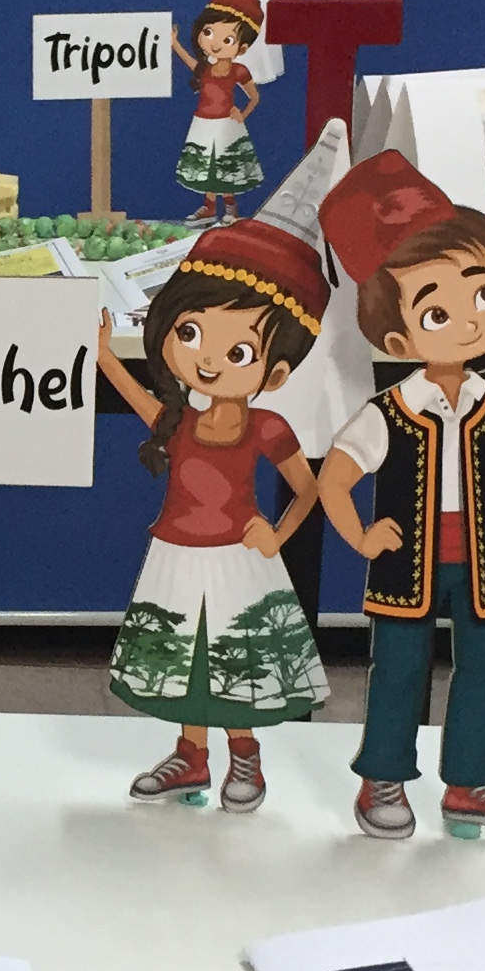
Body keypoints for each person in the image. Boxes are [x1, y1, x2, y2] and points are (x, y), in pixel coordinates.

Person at [315, 152, 485, 841]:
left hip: (483, 563)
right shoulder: (389, 412)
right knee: (399, 669)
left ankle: (471, 782)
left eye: (484, 294)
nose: (469, 321)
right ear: (397, 337)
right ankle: (383, 776)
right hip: (407, 564)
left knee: (481, 668)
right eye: (436, 311)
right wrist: (362, 536)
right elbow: (335, 478)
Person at [91, 222, 328, 812]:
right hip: (176, 553)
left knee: (234, 657)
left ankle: (243, 754)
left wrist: (276, 534)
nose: (209, 360)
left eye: (239, 352)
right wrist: (102, 353)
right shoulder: (179, 423)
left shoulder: (267, 427)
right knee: (184, 659)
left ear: (275, 374)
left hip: (238, 560)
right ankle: (191, 756)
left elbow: (308, 490)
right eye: (191, 333)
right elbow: (135, 395)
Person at [168, 0, 267, 224]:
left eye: (228, 39)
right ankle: (209, 207)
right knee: (206, 167)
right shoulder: (205, 69)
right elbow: (190, 62)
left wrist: (242, 114)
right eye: (209, 32)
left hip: (226, 124)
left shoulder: (239, 71)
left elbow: (254, 97)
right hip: (203, 122)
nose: (215, 44)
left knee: (225, 168)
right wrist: (174, 43)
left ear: (242, 48)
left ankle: (230, 208)